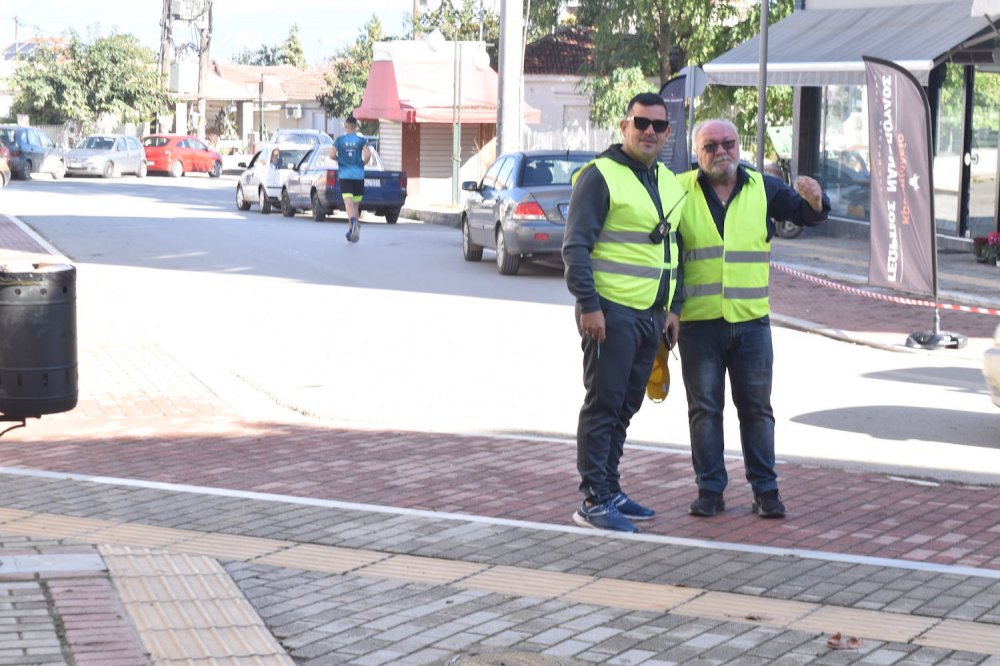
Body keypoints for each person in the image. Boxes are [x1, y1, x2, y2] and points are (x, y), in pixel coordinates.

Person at [676, 119, 829, 519]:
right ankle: (709, 490)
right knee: (704, 410)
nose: (721, 151)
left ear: (738, 146)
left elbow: (804, 213)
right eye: (711, 145)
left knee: (756, 409)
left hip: (751, 323)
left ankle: (766, 490)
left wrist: (815, 201)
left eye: (728, 143)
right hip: (699, 322)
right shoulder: (678, 190)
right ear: (698, 152)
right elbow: (666, 255)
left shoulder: (763, 187)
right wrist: (669, 311)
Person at [562, 92, 687, 533]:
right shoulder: (601, 176)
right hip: (610, 314)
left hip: (651, 316)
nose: (649, 131)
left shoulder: (669, 181)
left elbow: (674, 249)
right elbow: (575, 246)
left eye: (658, 125)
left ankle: (610, 487)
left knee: (626, 406)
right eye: (641, 123)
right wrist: (589, 307)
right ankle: (594, 500)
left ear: (668, 132)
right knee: (604, 404)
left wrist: (673, 308)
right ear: (624, 126)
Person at [330, 115, 371, 243]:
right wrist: (363, 163)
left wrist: (339, 159)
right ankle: (351, 232)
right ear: (356, 127)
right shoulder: (361, 140)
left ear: (346, 126)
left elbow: (331, 155)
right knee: (355, 205)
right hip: (359, 176)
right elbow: (368, 154)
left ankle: (353, 222)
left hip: (345, 176)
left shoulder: (339, 140)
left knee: (348, 204)